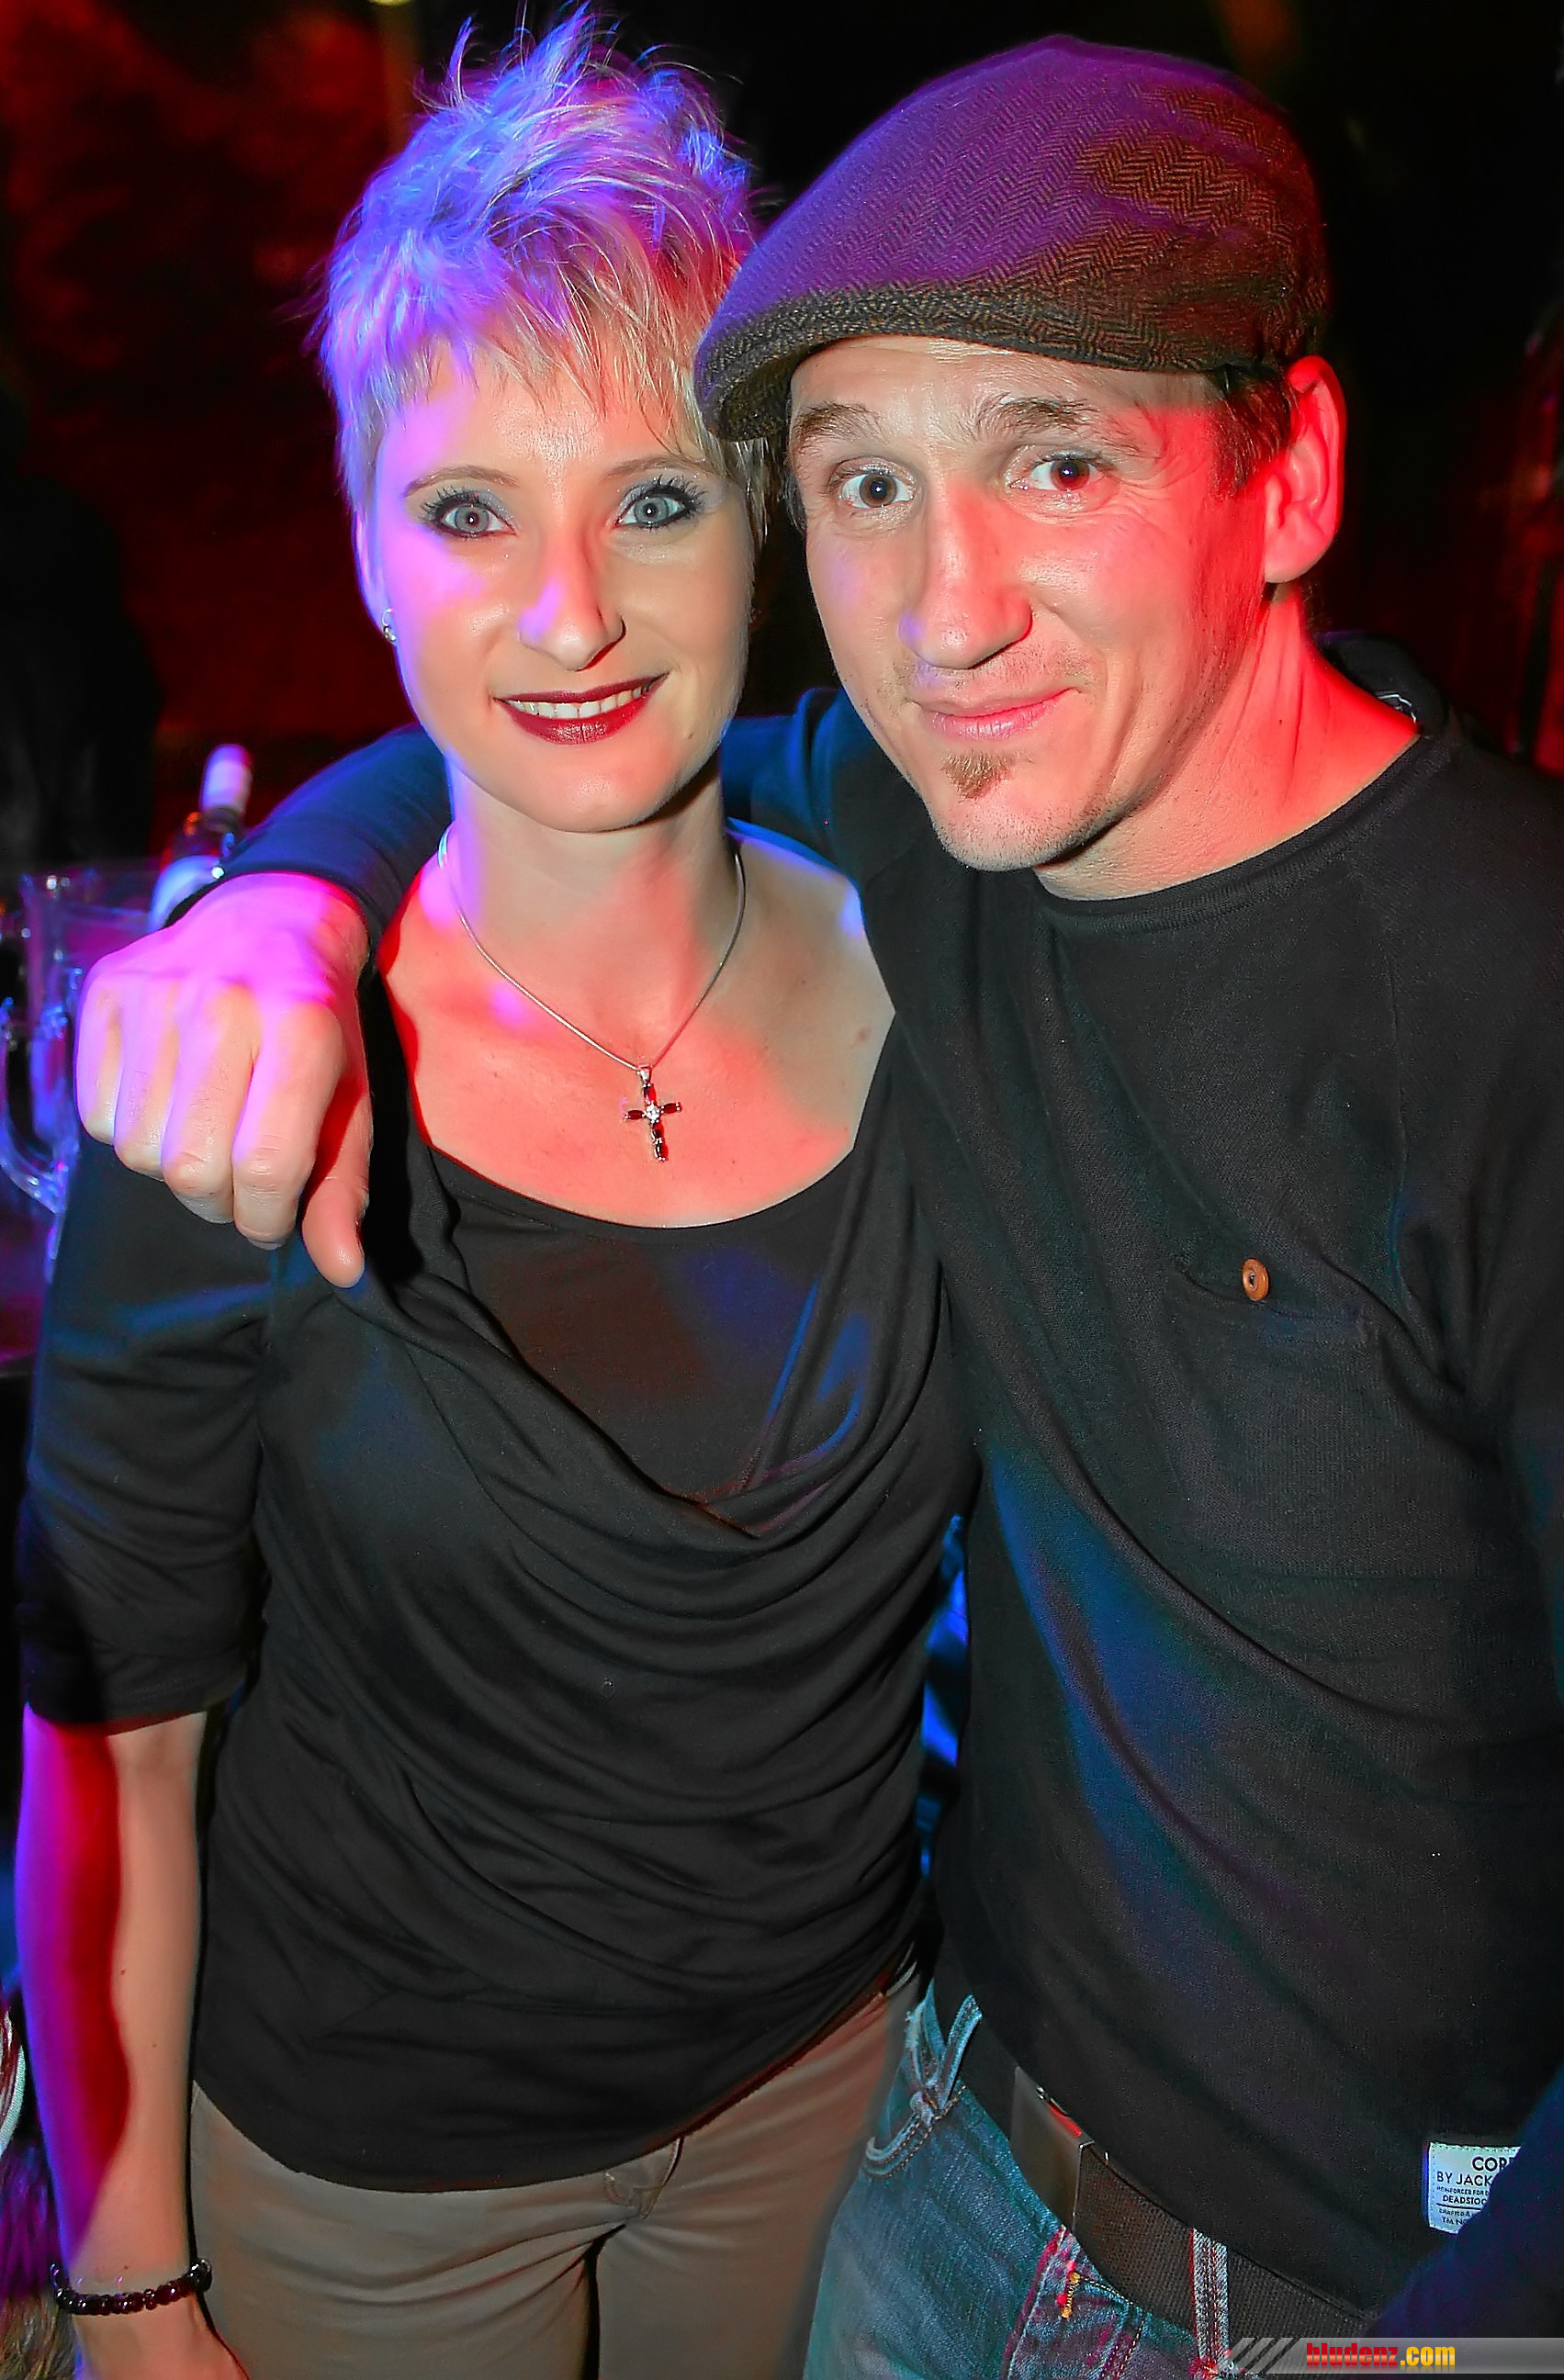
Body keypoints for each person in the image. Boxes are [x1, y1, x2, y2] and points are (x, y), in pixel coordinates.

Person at [66, 29, 1564, 2374]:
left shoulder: (1389, 980)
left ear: (1291, 477)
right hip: (847, 2160)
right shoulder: (880, 852)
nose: (948, 612)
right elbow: (109, 1724)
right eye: (873, 481)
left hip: (1143, 2230)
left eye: (1056, 459)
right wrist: (276, 898)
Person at [14, 26, 975, 2380]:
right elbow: (113, 1736)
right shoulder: (236, 1075)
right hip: (370, 2175)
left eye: (652, 502)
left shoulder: (945, 946)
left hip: (822, 2105)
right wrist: (128, 2283)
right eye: (467, 512)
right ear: (361, 538)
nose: (570, 614)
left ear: (759, 521)